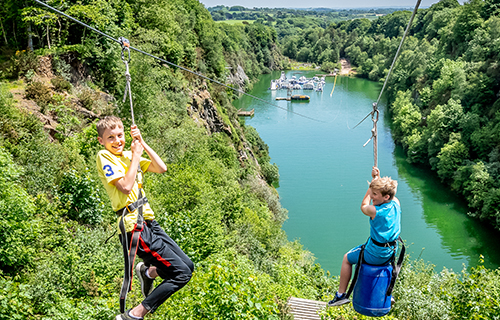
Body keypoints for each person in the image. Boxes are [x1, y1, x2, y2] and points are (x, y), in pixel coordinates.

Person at [96, 116, 194, 320]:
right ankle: (133, 315)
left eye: (120, 135)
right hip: (133, 226)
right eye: (110, 137)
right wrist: (135, 157)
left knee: (188, 266)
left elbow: (161, 167)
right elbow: (125, 186)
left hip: (149, 222)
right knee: (181, 274)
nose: (117, 141)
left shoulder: (129, 155)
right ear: (102, 141)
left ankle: (148, 273)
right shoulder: (105, 157)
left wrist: (142, 144)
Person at [328, 166, 400, 307]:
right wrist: (377, 181)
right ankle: (387, 294)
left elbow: (363, 205)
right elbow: (391, 194)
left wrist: (372, 186)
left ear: (385, 197)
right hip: (391, 253)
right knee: (384, 263)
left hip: (375, 254)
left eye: (375, 194)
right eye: (373, 193)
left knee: (347, 258)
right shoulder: (396, 204)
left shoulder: (375, 211)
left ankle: (341, 295)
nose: (372, 196)